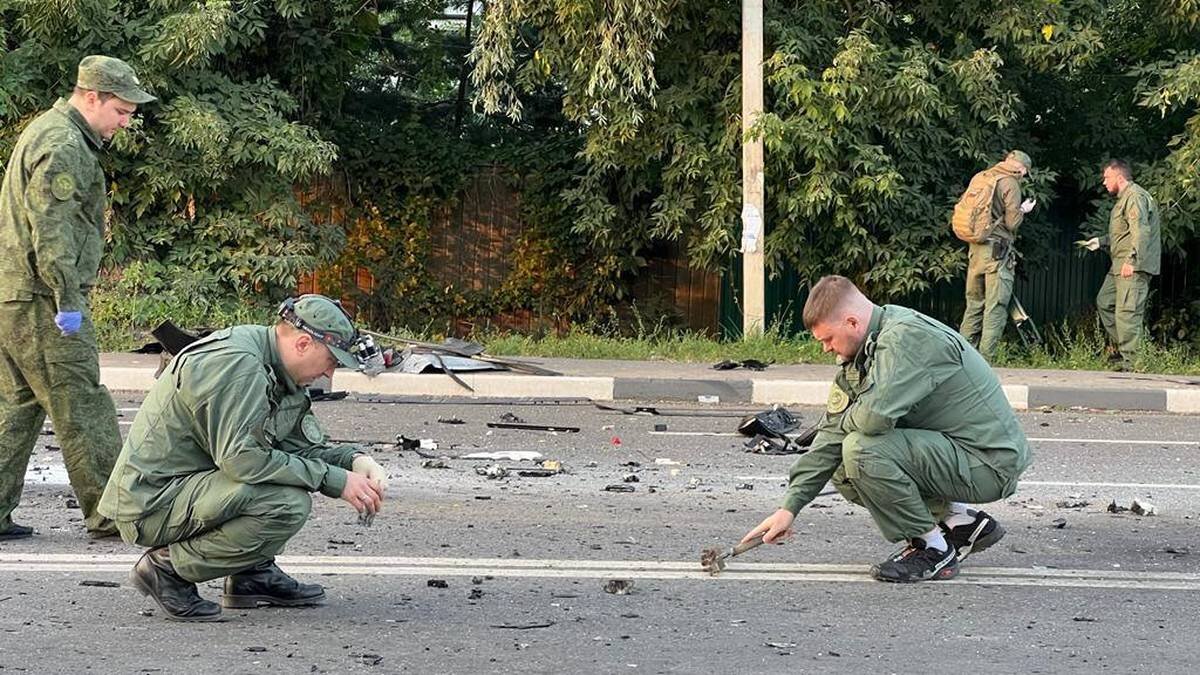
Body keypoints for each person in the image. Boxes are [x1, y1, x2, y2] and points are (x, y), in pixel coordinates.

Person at [98, 294, 390, 621]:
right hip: (151, 503)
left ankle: (251, 573)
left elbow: (297, 448)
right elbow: (243, 460)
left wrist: (355, 462)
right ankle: (166, 569)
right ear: (304, 344)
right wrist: (333, 480)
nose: (329, 373)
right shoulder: (240, 365)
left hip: (189, 488)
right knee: (285, 504)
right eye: (332, 360)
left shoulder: (277, 367)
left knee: (283, 480)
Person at [743, 276, 1031, 582]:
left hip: (988, 463)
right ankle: (959, 522)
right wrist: (789, 508)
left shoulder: (906, 339)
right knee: (841, 462)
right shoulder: (865, 351)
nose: (826, 349)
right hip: (957, 453)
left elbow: (871, 420)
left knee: (861, 449)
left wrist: (842, 423)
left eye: (828, 339)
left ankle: (933, 548)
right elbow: (829, 437)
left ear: (852, 322)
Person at [0, 56, 155, 540]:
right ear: (92, 97)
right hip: (44, 300)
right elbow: (53, 230)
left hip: (16, 296)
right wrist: (67, 300)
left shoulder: (47, 131)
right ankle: (114, 514)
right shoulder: (64, 144)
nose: (125, 123)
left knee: (17, 407)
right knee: (82, 404)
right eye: (121, 111)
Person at [1077, 160, 1161, 370]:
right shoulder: (1125, 198)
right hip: (1119, 264)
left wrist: (1132, 261)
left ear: (1119, 177)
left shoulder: (1134, 197)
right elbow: (1124, 233)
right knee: (1105, 302)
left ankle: (1133, 363)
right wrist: (1101, 241)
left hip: (1131, 265)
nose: (1104, 182)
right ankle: (1125, 350)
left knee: (1127, 312)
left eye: (1107, 177)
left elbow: (1141, 232)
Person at [958, 150, 1037, 361]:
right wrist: (1023, 210)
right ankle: (986, 361)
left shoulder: (981, 177)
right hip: (997, 252)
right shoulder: (1010, 183)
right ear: (1021, 168)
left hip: (975, 248)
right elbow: (1012, 223)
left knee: (974, 304)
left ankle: (963, 358)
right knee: (996, 306)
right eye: (1025, 172)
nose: (1024, 176)